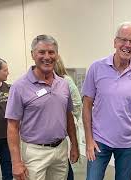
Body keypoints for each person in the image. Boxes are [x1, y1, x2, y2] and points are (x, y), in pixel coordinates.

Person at [82, 22, 131, 180]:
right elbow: (87, 105)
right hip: (99, 141)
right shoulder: (96, 68)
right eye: (123, 40)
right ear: (115, 42)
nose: (127, 45)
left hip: (127, 143)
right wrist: (88, 139)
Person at [5, 34, 79, 180]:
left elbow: (68, 115)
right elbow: (12, 126)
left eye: (51, 52)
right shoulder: (19, 87)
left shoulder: (63, 84)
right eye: (42, 52)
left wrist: (74, 145)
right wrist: (16, 162)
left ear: (57, 55)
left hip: (60, 149)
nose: (47, 57)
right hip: (34, 152)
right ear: (33, 54)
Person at [54, 57, 82, 180]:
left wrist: (73, 117)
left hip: (64, 128)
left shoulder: (65, 81)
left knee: (63, 164)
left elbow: (76, 103)